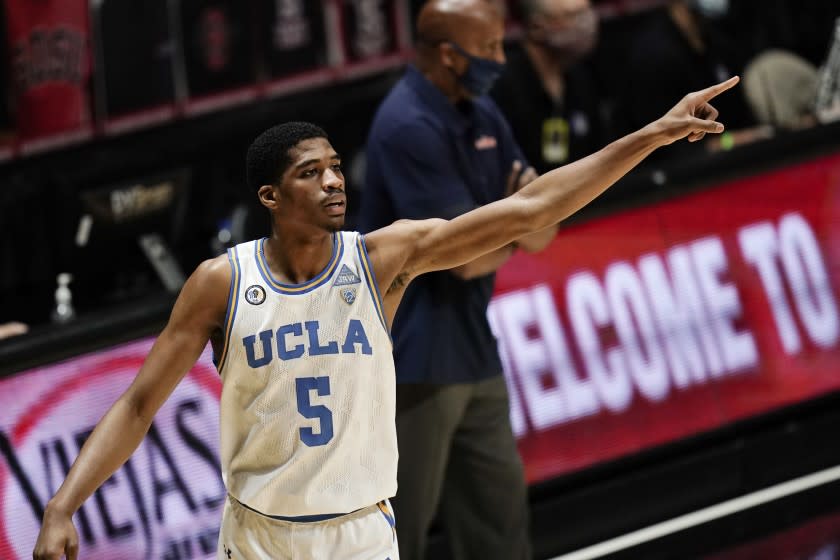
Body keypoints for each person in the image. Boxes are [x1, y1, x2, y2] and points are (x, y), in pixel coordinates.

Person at [32, 76, 740, 560]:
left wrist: (651, 133)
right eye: (312, 172)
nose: (335, 179)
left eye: (337, 167)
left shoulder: (381, 259)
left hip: (359, 535)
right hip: (259, 537)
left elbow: (533, 210)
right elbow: (137, 404)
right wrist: (63, 507)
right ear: (272, 196)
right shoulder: (223, 282)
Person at [360, 0, 556, 557]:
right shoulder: (406, 126)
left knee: (501, 525)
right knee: (399, 536)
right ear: (449, 55)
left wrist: (516, 221)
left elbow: (545, 222)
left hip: (473, 349)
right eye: (489, 48)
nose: (500, 58)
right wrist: (520, 216)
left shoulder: (482, 111)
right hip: (413, 363)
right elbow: (461, 257)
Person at [492, 0, 607, 173]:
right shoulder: (502, 85)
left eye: (587, 12)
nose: (587, 23)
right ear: (537, 26)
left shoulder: (580, 76)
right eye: (573, 15)